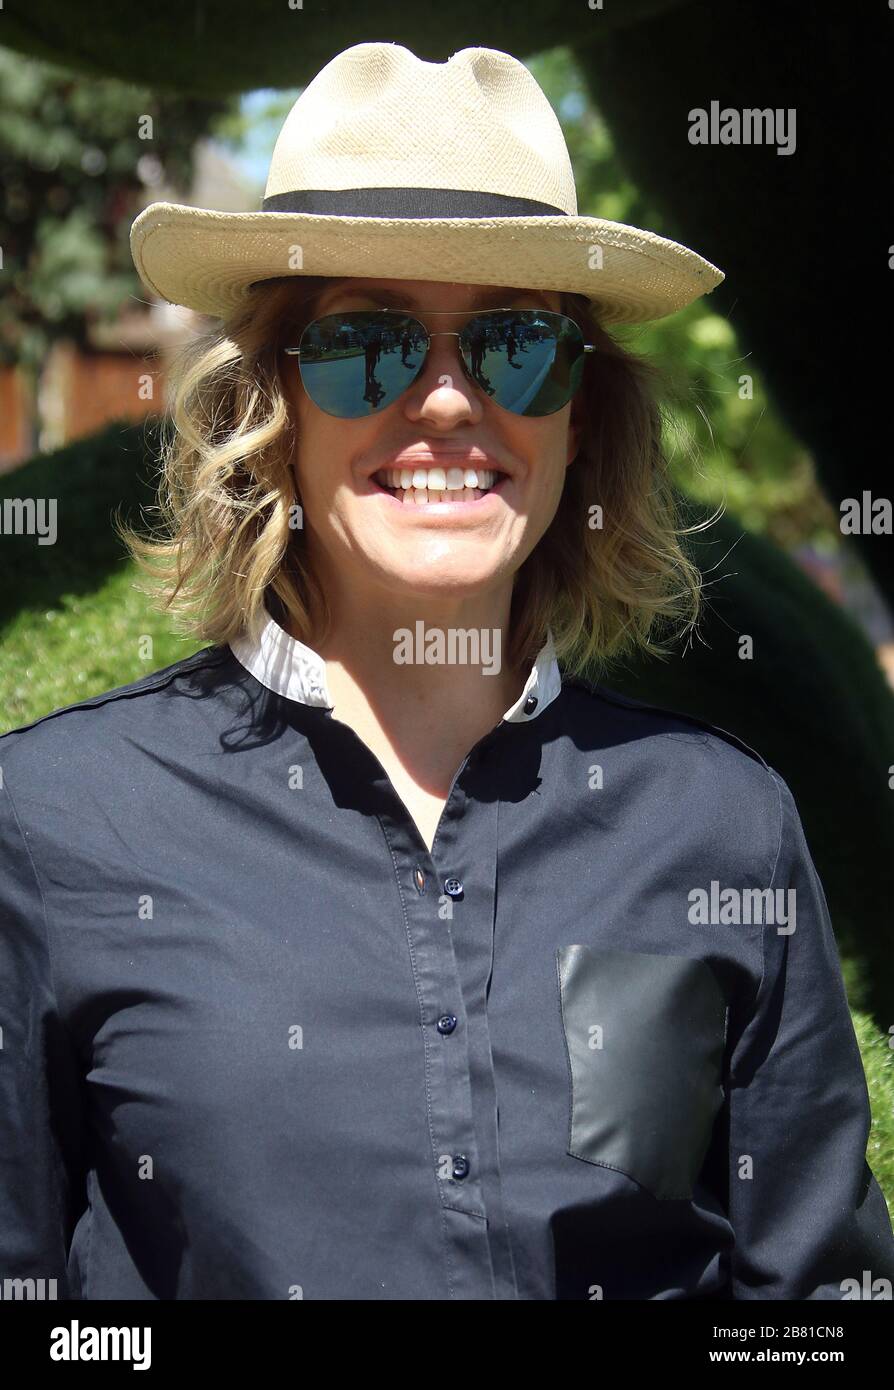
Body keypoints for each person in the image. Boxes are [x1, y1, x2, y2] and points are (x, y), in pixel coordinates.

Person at [1, 41, 892, 1302]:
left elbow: (812, 1302)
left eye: (517, 345)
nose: (447, 403)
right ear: (273, 406)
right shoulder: (54, 824)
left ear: (580, 418)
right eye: (367, 345)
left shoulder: (718, 824)